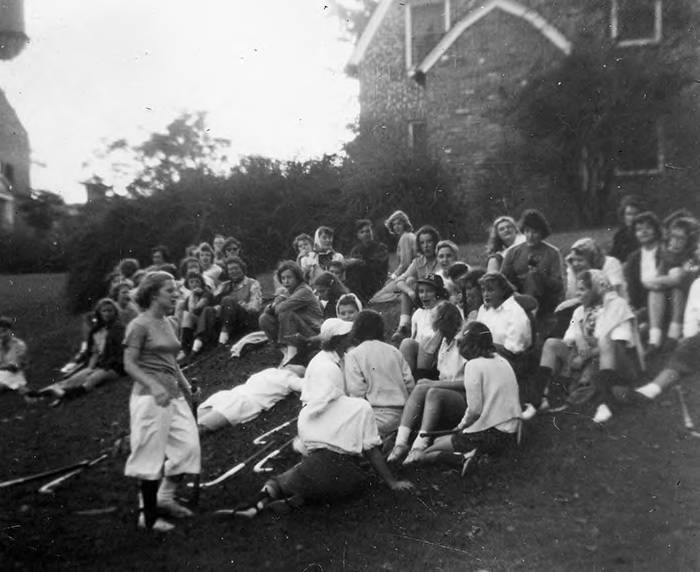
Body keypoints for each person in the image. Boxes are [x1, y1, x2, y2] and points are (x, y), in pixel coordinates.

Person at [226, 319, 413, 519]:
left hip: (315, 464)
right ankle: (298, 498)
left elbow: (312, 448)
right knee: (353, 473)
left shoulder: (311, 414)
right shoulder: (358, 407)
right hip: (346, 478)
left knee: (287, 479)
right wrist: (392, 482)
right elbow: (372, 451)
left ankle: (261, 501)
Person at [123, 271, 200, 532]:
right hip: (149, 398)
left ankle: (164, 498)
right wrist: (154, 386)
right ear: (154, 294)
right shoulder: (139, 325)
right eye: (170, 290)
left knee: (188, 447)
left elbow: (171, 361)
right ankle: (149, 515)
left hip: (173, 395)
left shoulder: (169, 321)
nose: (176, 294)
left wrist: (188, 388)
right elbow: (129, 364)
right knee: (149, 456)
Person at [408, 322, 522, 477]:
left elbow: (475, 409)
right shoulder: (501, 360)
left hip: (491, 433)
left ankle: (465, 458)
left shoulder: (473, 365)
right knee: (438, 441)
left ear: (471, 345)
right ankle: (477, 455)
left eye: (461, 344)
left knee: (426, 453)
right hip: (513, 432)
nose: (459, 348)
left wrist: (460, 427)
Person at [529, 270, 643, 423]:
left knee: (606, 341)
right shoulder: (579, 311)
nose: (578, 294)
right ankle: (539, 400)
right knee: (551, 344)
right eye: (577, 289)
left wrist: (586, 356)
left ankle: (606, 403)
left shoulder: (617, 306)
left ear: (597, 288)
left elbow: (618, 343)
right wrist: (579, 337)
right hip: (586, 356)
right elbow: (570, 335)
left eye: (582, 289)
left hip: (616, 361)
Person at [387, 302, 466, 464]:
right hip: (447, 391)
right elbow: (427, 360)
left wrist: (435, 384)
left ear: (442, 320)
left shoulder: (462, 344)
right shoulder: (445, 341)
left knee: (433, 390)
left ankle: (419, 445)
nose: (430, 320)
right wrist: (439, 335)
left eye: (434, 317)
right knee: (421, 386)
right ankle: (400, 443)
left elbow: (469, 383)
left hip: (463, 396)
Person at [635, 238, 700, 401]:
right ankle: (651, 389)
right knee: (685, 351)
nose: (697, 252)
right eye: (698, 248)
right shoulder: (697, 283)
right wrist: (689, 336)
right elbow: (692, 315)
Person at [36, 299, 125, 405]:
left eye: (110, 310)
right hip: (100, 364)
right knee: (77, 377)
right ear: (99, 313)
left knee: (94, 378)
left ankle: (66, 395)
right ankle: (44, 393)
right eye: (104, 311)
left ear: (115, 312)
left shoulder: (119, 329)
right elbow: (94, 352)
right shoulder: (96, 331)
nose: (107, 313)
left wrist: (105, 365)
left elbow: (120, 352)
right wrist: (91, 367)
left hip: (115, 366)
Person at [344, 310, 415, 436]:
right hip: (404, 416)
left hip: (375, 416)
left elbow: (356, 393)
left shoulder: (353, 355)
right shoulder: (394, 351)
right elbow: (409, 384)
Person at [641, 216, 699, 350]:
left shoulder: (693, 258)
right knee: (655, 291)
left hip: (687, 305)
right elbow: (658, 281)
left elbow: (678, 278)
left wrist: (651, 281)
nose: (675, 242)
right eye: (673, 237)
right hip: (665, 304)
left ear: (690, 242)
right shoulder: (666, 255)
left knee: (676, 290)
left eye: (681, 239)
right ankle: (654, 340)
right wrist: (652, 282)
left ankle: (673, 336)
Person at [501, 209, 563, 334]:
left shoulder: (552, 252)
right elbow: (502, 278)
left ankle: (531, 316)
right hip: (516, 294)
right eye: (527, 231)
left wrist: (539, 275)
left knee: (532, 276)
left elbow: (558, 285)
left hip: (545, 297)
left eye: (535, 232)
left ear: (542, 233)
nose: (530, 235)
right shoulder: (513, 252)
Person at [259, 260, 324, 366]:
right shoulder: (288, 292)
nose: (286, 281)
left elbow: (280, 309)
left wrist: (279, 300)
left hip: (313, 333)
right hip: (298, 330)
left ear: (298, 277)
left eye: (289, 277)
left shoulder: (304, 291)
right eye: (283, 278)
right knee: (264, 318)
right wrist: (279, 298)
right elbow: (268, 311)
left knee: (286, 312)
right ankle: (284, 350)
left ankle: (292, 353)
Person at [192, 256, 263, 350]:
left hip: (245, 321)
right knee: (208, 309)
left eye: (236, 268)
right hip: (228, 321)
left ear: (242, 269)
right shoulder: (225, 285)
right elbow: (213, 300)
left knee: (227, 300)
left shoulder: (252, 283)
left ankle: (222, 342)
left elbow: (255, 308)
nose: (233, 272)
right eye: (230, 270)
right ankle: (196, 347)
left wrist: (239, 304)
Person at [475, 272, 532, 379]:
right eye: (483, 290)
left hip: (510, 363)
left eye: (490, 290)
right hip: (485, 358)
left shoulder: (515, 312)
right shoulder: (484, 309)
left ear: (503, 291)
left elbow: (514, 350)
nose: (486, 294)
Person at [392, 225, 440, 340]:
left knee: (412, 282)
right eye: (422, 243)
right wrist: (410, 292)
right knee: (409, 281)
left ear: (435, 243)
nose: (426, 246)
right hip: (423, 298)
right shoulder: (418, 262)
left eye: (429, 242)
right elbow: (399, 281)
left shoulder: (441, 258)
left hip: (439, 297)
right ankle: (404, 325)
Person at [399, 274, 449, 379]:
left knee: (426, 341)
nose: (424, 295)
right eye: (421, 291)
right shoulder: (418, 313)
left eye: (429, 291)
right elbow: (414, 338)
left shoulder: (446, 309)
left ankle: (422, 379)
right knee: (407, 343)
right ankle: (406, 381)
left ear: (438, 293)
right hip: (420, 355)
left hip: (440, 356)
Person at [344, 219, 389, 303]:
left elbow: (377, 266)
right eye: (362, 232)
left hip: (376, 280)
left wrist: (358, 262)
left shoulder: (381, 247)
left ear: (372, 232)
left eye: (368, 231)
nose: (366, 234)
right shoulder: (356, 250)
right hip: (361, 282)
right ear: (358, 235)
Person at [610, 195, 645, 264]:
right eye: (629, 214)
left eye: (636, 214)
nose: (632, 218)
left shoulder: (645, 234)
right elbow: (614, 257)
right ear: (623, 216)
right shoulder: (619, 235)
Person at [385, 210, 417, 279]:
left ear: (405, 224)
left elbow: (405, 263)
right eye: (394, 224)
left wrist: (394, 276)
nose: (396, 227)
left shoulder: (405, 237)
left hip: (414, 274)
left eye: (399, 224)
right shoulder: (409, 235)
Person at [0, 317, 28, 393]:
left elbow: (15, 367)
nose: (2, 335)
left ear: (10, 330)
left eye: (4, 331)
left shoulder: (19, 345)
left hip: (16, 374)